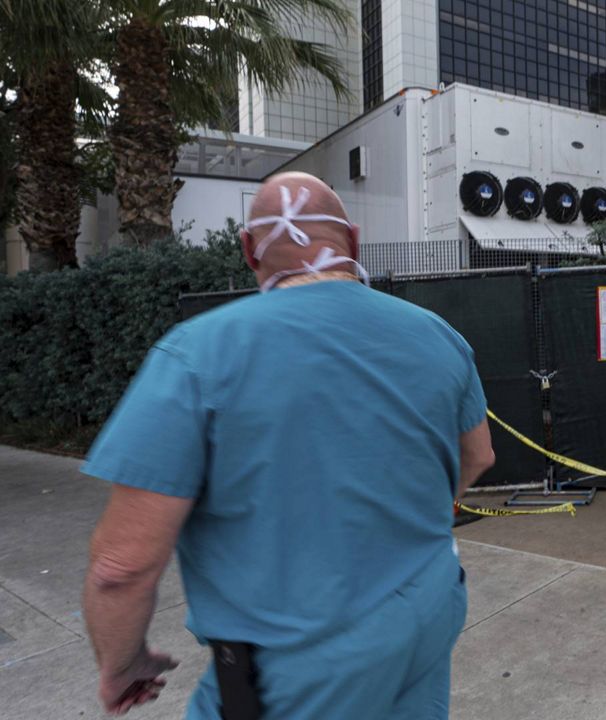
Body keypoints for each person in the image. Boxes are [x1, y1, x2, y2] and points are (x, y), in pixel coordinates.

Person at [80, 172, 495, 718]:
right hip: (426, 615)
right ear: (353, 239)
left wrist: (121, 664)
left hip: (293, 668)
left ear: (250, 250)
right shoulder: (438, 335)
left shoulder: (198, 355)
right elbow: (479, 456)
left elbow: (120, 568)